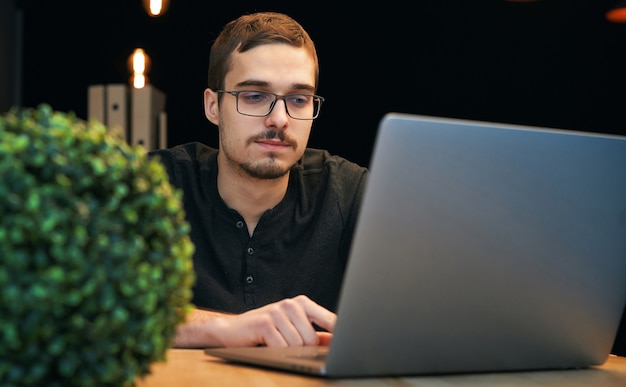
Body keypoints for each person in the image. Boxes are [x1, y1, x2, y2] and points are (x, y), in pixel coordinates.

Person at [148, 11, 369, 348]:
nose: (279, 119)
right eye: (254, 96)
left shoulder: (348, 191)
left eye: (298, 99)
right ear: (213, 106)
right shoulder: (156, 185)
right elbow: (86, 311)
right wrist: (224, 329)